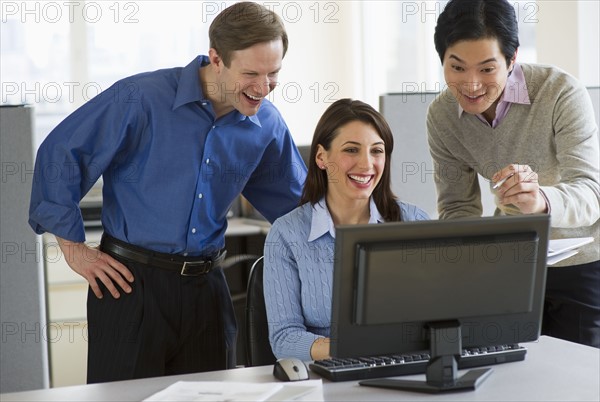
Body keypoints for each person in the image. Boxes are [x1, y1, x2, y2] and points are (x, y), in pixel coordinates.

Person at [29, 2, 307, 383]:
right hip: (129, 286)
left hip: (207, 291)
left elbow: (300, 204)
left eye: (273, 74)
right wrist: (74, 249)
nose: (263, 88)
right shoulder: (141, 98)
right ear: (216, 59)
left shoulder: (266, 125)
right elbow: (60, 154)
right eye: (251, 74)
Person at [427, 0, 599, 348]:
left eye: (487, 69)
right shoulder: (441, 116)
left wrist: (540, 200)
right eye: (457, 67)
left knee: (576, 380)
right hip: (511, 264)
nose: (471, 84)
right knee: (508, 372)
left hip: (584, 263)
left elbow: (591, 193)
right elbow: (458, 208)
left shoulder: (560, 92)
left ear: (512, 58)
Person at [263, 99, 429, 361]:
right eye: (351, 150)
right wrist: (356, 349)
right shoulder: (286, 234)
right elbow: (285, 338)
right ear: (321, 157)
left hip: (403, 368)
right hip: (326, 377)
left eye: (377, 151)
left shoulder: (414, 221)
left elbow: (436, 318)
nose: (366, 164)